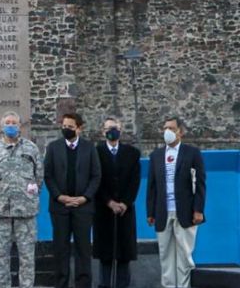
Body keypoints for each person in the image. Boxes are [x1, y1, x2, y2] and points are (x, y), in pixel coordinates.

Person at [0, 111, 42, 288]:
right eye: (7, 123)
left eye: (14, 123)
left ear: (20, 126)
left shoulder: (31, 148)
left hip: (26, 212)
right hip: (1, 212)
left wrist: (27, 196)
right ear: (2, 126)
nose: (11, 126)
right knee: (1, 258)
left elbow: (39, 177)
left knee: (27, 258)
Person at [146, 116, 206, 288]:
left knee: (184, 257)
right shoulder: (156, 155)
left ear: (181, 131)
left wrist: (198, 209)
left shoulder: (192, 153)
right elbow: (152, 186)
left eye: (171, 128)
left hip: (186, 213)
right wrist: (150, 212)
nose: (167, 132)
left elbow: (200, 183)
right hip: (163, 212)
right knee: (165, 256)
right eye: (165, 128)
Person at [43, 113, 101, 288]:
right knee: (61, 250)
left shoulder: (89, 148)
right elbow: (48, 175)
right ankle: (61, 283)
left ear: (79, 128)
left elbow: (96, 176)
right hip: (60, 208)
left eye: (70, 126)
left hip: (83, 208)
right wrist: (60, 197)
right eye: (64, 126)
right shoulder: (53, 147)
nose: (66, 129)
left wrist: (84, 198)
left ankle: (83, 284)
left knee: (83, 250)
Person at [93, 117, 141, 288]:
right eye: (108, 128)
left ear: (120, 130)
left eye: (115, 128)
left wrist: (125, 203)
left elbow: (135, 182)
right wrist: (109, 202)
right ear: (103, 131)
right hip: (103, 210)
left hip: (124, 211)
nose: (112, 131)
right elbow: (95, 180)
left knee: (124, 254)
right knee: (106, 256)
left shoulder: (132, 153)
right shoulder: (96, 152)